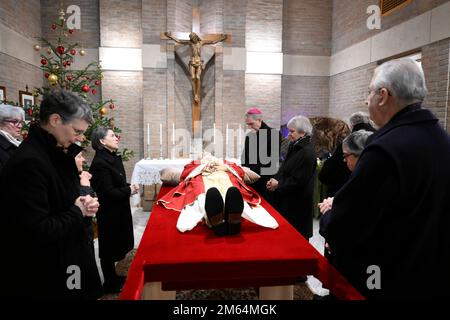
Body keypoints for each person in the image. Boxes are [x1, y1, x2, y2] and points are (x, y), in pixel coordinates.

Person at [320, 58, 450, 299]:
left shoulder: (384, 149)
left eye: (369, 91)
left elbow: (345, 228)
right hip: (428, 276)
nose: (365, 100)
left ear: (383, 95)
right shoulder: (442, 139)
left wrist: (329, 212)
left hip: (383, 279)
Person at [0, 90, 101, 300]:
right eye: (76, 130)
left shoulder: (57, 152)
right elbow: (35, 230)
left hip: (71, 258)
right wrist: (78, 211)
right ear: (55, 120)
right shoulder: (30, 162)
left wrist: (85, 202)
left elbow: (64, 201)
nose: (80, 138)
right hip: (51, 271)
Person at [157, 154, 279, 236]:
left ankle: (231, 217)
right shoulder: (196, 163)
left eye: (211, 156)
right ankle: (216, 219)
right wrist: (203, 167)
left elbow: (240, 172)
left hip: (226, 177)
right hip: (203, 178)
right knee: (204, 193)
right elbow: (185, 173)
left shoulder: (226, 163)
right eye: (205, 156)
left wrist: (224, 167)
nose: (208, 157)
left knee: (232, 190)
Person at [89, 127, 139, 293]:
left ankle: (114, 277)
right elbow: (107, 193)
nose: (117, 137)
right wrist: (129, 190)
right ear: (102, 141)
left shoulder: (111, 157)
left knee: (117, 243)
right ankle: (109, 283)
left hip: (119, 208)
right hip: (110, 212)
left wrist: (128, 187)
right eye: (112, 135)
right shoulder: (100, 164)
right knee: (108, 249)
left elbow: (114, 184)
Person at [266, 115, 316, 239]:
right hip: (289, 202)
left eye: (292, 131)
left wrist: (279, 184)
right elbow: (285, 168)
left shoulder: (306, 152)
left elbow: (299, 180)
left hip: (297, 206)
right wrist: (275, 179)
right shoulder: (296, 146)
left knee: (296, 241)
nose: (289, 134)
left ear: (303, 132)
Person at [319, 111, 375, 197]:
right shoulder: (379, 138)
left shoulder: (351, 142)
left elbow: (326, 173)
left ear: (351, 125)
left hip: (348, 191)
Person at [164, 31, 227, 103]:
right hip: (192, 63)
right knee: (193, 78)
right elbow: (179, 41)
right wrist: (170, 36)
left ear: (196, 37)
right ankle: (195, 95)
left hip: (199, 63)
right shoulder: (190, 43)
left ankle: (197, 93)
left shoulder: (201, 42)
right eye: (191, 38)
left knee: (198, 77)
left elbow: (212, 42)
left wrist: (221, 38)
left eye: (193, 38)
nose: (192, 39)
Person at [241, 107, 281, 205]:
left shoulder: (274, 134)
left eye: (251, 124)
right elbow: (245, 157)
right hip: (251, 181)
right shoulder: (250, 136)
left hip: (265, 181)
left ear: (259, 120)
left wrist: (252, 173)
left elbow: (270, 159)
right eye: (248, 124)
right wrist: (245, 172)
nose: (250, 127)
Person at [0, 103, 25, 173]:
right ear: (1, 123)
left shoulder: (16, 142)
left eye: (21, 122)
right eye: (15, 121)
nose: (20, 126)